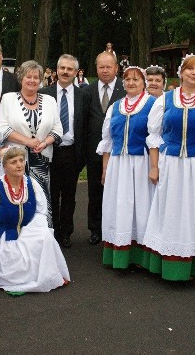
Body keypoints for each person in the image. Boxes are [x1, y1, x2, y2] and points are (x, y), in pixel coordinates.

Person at [142, 54, 195, 282]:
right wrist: (154, 167)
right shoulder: (165, 100)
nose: (194, 73)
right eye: (190, 69)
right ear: (181, 73)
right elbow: (154, 135)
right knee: (170, 210)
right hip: (170, 163)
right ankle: (170, 264)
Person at [0, 147, 70, 293]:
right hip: (4, 235)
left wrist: (37, 229)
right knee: (14, 255)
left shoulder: (32, 184)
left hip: (27, 228)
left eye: (21, 160)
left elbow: (41, 211)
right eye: (13, 162)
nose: (19, 165)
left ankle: (45, 275)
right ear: (4, 166)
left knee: (44, 238)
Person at [97, 66, 156, 268]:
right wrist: (105, 168)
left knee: (141, 206)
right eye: (128, 79)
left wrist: (155, 167)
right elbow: (107, 141)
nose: (131, 83)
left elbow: (158, 139)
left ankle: (141, 256)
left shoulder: (153, 104)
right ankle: (119, 252)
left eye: (136, 79)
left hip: (141, 162)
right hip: (118, 164)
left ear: (144, 82)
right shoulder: (116, 106)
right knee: (119, 205)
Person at [0, 60, 63, 227]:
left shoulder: (49, 100)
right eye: (29, 76)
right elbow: (2, 128)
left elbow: (58, 128)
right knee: (16, 198)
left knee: (41, 199)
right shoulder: (8, 99)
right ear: (21, 78)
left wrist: (44, 142)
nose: (32, 80)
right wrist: (28, 141)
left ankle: (43, 235)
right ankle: (18, 233)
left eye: (36, 77)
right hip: (15, 160)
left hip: (41, 161)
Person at [39, 54, 90, 247]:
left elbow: (85, 127)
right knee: (50, 194)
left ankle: (66, 232)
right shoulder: (44, 93)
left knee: (69, 196)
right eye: (62, 68)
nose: (65, 72)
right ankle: (52, 231)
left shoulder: (83, 95)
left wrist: (82, 156)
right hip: (49, 151)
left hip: (72, 152)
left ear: (76, 72)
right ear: (57, 69)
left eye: (70, 69)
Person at [84, 51, 126, 245]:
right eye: (101, 66)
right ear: (96, 68)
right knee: (95, 192)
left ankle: (117, 228)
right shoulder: (87, 91)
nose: (105, 70)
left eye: (109, 66)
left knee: (118, 193)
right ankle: (95, 229)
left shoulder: (125, 90)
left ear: (116, 68)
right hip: (94, 152)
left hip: (119, 153)